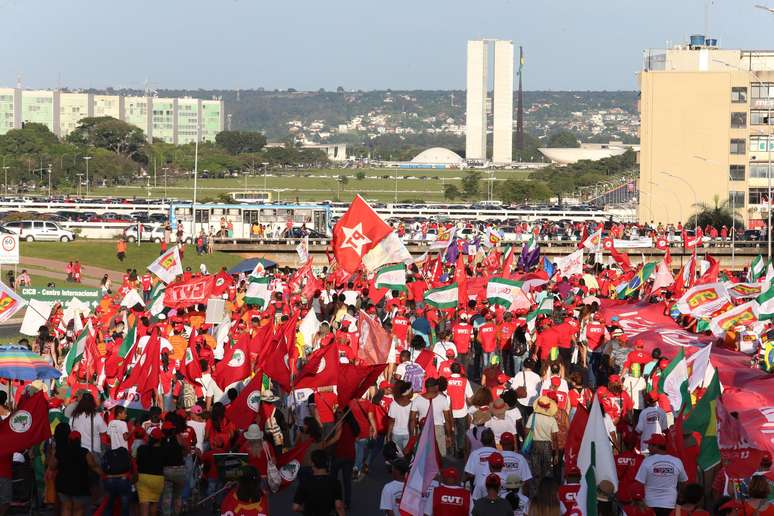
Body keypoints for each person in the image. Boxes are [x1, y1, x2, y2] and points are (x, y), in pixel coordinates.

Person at [634, 433, 688, 516]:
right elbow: (684, 482)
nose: (648, 448)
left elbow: (639, 483)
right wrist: (679, 497)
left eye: (650, 445)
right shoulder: (677, 461)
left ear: (656, 446)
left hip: (650, 504)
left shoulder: (647, 461)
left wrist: (639, 500)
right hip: (670, 503)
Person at [51, 431, 102, 516]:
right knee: (78, 509)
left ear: (68, 440)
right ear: (80, 440)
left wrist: (52, 453)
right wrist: (105, 475)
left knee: (66, 507)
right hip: (79, 485)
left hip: (64, 484)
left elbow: (52, 466)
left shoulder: (61, 451)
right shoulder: (85, 452)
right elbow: (94, 466)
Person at [292, 449, 346, 516]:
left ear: (313, 464)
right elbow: (338, 506)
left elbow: (295, 507)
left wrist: (306, 510)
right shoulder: (335, 482)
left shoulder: (305, 482)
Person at [525, 395, 559, 481]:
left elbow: (526, 431)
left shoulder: (533, 416)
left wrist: (527, 443)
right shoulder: (552, 420)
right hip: (547, 446)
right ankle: (544, 489)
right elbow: (554, 438)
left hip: (534, 444)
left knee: (535, 471)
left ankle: (536, 490)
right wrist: (557, 454)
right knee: (546, 470)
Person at [69, 393, 108, 459]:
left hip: (78, 450)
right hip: (93, 451)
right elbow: (104, 431)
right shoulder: (96, 416)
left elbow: (70, 429)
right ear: (92, 403)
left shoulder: (74, 416)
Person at [137, 428, 165, 516]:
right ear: (160, 439)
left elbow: (137, 462)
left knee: (144, 504)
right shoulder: (163, 451)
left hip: (143, 478)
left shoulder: (141, 448)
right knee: (154, 504)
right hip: (158, 478)